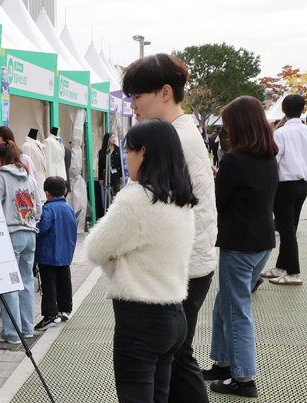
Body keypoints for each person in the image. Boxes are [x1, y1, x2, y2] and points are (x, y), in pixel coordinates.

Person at [122, 53, 216, 403]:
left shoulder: (173, 138)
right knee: (178, 358)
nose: (133, 106)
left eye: (136, 96)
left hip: (181, 269)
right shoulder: (180, 131)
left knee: (177, 360)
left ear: (164, 92)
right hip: (191, 263)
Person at [86, 118, 198, 403]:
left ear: (144, 153)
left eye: (129, 151)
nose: (126, 157)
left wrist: (118, 264)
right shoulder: (181, 196)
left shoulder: (136, 198)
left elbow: (95, 249)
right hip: (174, 315)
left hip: (139, 320)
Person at [201, 96, 279, 398]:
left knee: (237, 311)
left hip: (240, 246)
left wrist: (214, 180)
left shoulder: (235, 160)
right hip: (261, 243)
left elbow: (218, 202)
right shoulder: (268, 157)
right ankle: (222, 363)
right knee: (226, 304)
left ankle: (244, 378)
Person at [0, 140, 41, 344]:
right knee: (26, 281)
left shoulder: (0, 177)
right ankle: (27, 328)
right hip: (30, 233)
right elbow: (37, 210)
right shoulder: (29, 178)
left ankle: (12, 333)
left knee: (10, 283)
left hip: (10, 235)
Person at [261, 94, 307, 285]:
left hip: (285, 185)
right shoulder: (305, 131)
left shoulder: (280, 134)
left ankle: (294, 273)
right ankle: (281, 266)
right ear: (303, 110)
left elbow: (274, 162)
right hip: (303, 184)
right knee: (291, 228)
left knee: (286, 229)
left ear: (283, 110)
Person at [34, 176, 77, 330]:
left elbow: (43, 228)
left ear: (46, 193)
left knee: (49, 285)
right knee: (64, 282)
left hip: (49, 254)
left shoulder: (49, 208)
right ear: (65, 191)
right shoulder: (69, 208)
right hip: (65, 253)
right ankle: (65, 309)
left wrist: (34, 226)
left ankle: (50, 315)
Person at [98, 132, 123, 197]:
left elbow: (120, 164)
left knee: (117, 193)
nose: (113, 139)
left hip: (116, 175)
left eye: (114, 137)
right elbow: (100, 166)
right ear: (107, 139)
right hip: (107, 175)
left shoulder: (118, 149)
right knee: (108, 194)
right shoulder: (102, 152)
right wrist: (100, 178)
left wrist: (121, 176)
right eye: (111, 137)